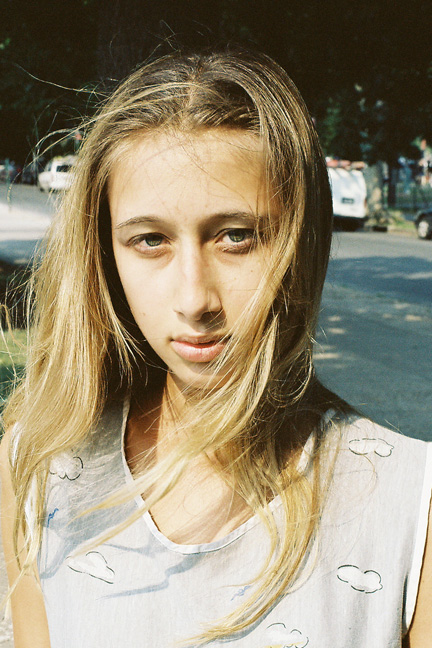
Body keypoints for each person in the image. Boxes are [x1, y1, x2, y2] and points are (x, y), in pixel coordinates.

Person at [0, 49, 431, 648]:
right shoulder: (40, 465)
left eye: (236, 236)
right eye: (150, 240)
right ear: (104, 255)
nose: (194, 299)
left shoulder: (411, 504)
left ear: (302, 242)